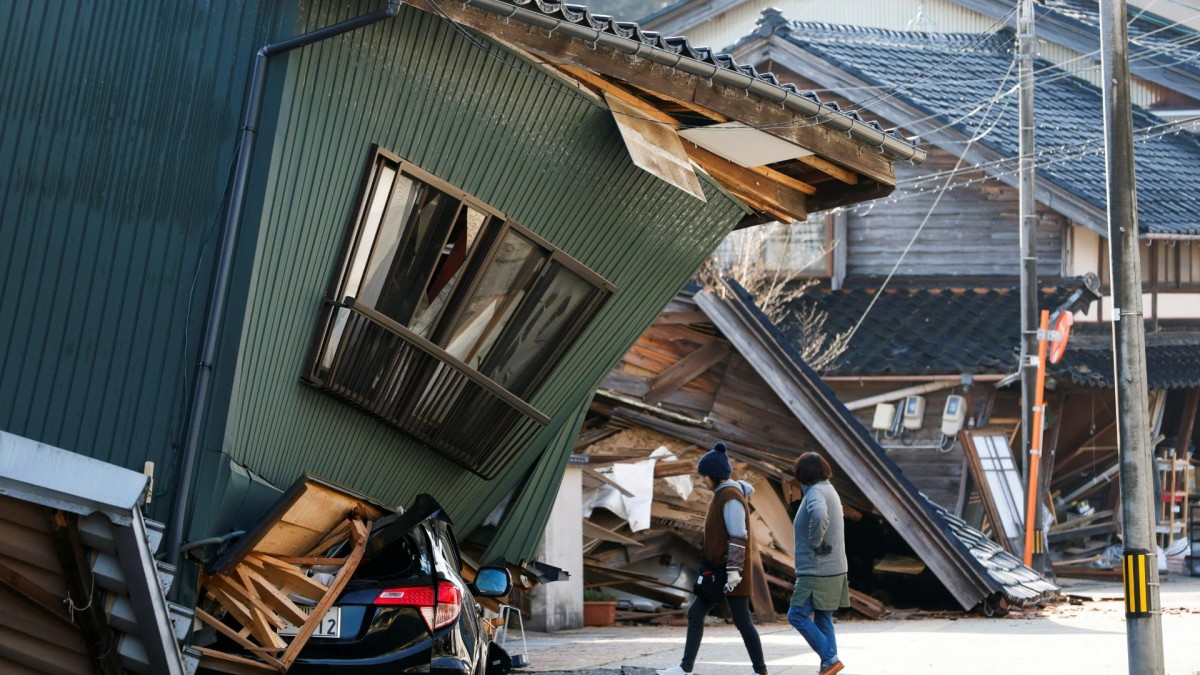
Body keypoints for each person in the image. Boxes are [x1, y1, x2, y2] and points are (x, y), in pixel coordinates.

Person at [657, 442, 767, 675]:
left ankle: (760, 671)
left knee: (742, 621)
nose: (703, 480)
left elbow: (738, 535)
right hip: (717, 570)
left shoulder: (730, 497)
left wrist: (734, 571)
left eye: (705, 476)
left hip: (730, 573)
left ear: (716, 475)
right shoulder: (723, 493)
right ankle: (686, 668)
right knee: (695, 614)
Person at [788, 452, 849, 675]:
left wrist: (815, 542)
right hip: (834, 567)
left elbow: (820, 515)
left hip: (816, 569)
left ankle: (829, 658)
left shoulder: (815, 493)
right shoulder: (829, 489)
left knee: (796, 614)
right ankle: (829, 665)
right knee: (823, 616)